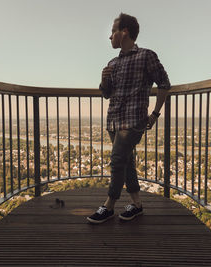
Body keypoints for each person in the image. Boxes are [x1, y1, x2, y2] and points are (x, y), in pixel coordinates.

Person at [87, 13, 171, 224]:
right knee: (126, 162)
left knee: (116, 161)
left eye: (113, 31)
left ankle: (108, 206)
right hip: (113, 121)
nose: (110, 37)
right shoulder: (112, 63)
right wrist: (103, 80)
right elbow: (107, 94)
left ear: (124, 32)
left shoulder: (146, 56)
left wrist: (155, 114)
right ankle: (137, 204)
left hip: (133, 121)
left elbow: (164, 84)